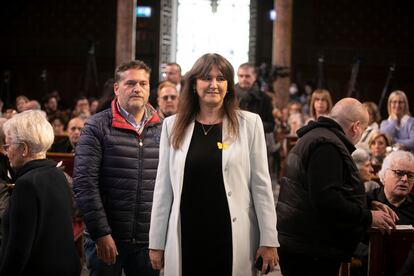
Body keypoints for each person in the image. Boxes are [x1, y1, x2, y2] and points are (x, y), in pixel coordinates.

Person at [149, 53, 279, 276]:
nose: (214, 84)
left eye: (220, 78)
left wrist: (269, 239)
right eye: (206, 78)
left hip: (231, 232)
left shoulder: (250, 124)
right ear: (194, 85)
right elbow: (163, 190)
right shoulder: (172, 126)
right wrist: (156, 243)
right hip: (187, 232)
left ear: (229, 85)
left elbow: (261, 187)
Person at [276, 98, 396, 275]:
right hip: (310, 248)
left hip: (303, 242)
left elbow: (327, 190)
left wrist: (368, 204)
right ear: (355, 127)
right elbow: (326, 200)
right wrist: (368, 216)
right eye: (364, 129)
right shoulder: (327, 145)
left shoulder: (318, 137)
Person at [73, 60, 162, 276]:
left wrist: (162, 236)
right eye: (130, 83)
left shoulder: (163, 127)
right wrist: (101, 233)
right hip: (107, 238)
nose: (137, 89)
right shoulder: (97, 126)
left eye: (143, 83)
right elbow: (85, 184)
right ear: (116, 88)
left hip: (147, 240)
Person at [0, 110, 80, 275]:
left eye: (8, 146)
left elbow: (19, 249)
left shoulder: (26, 184)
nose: (6, 152)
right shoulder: (59, 174)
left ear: (24, 148)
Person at [367, 150, 414, 225]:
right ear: (384, 175)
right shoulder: (366, 201)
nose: (405, 179)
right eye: (399, 173)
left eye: (410, 175)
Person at [234, 62, 275, 133]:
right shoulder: (228, 95)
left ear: (254, 77)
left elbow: (271, 125)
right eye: (241, 76)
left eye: (247, 76)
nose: (244, 79)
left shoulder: (264, 98)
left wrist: (253, 125)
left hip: (255, 138)